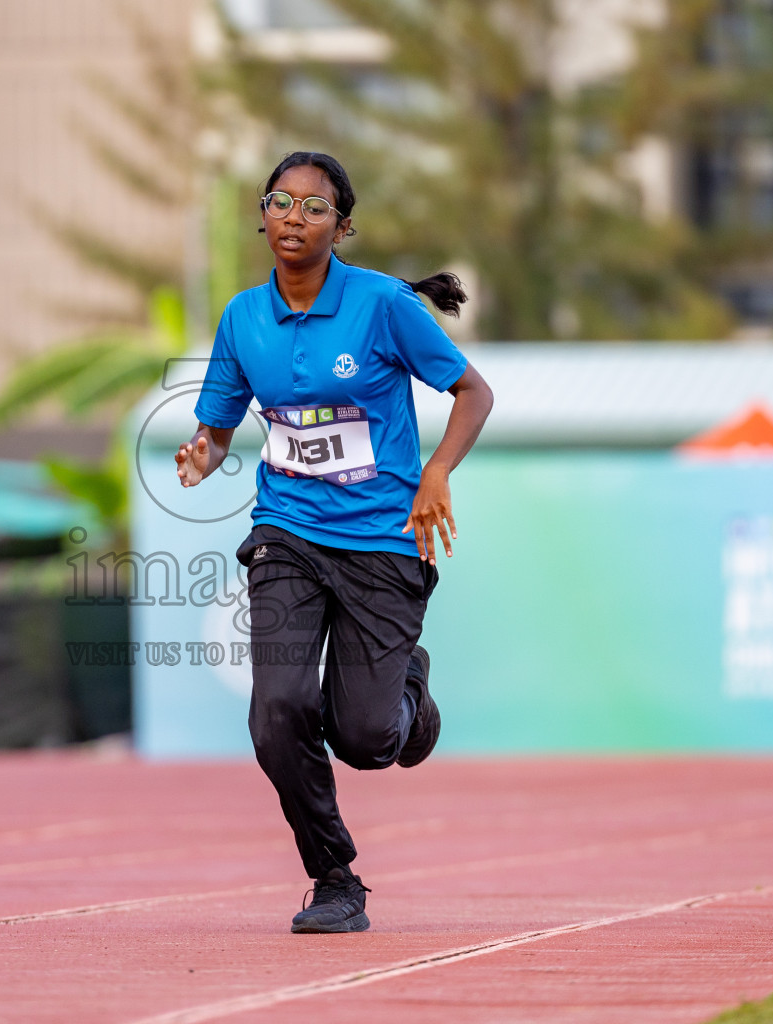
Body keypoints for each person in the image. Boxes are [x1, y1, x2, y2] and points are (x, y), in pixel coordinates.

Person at [175, 152, 494, 933]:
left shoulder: (382, 306)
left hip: (384, 542)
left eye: (313, 207)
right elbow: (217, 428)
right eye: (279, 202)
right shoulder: (244, 318)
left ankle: (408, 698)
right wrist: (202, 453)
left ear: (341, 227)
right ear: (263, 216)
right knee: (276, 712)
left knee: (364, 739)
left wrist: (437, 473)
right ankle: (334, 879)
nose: (293, 216)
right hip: (286, 535)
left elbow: (472, 391)